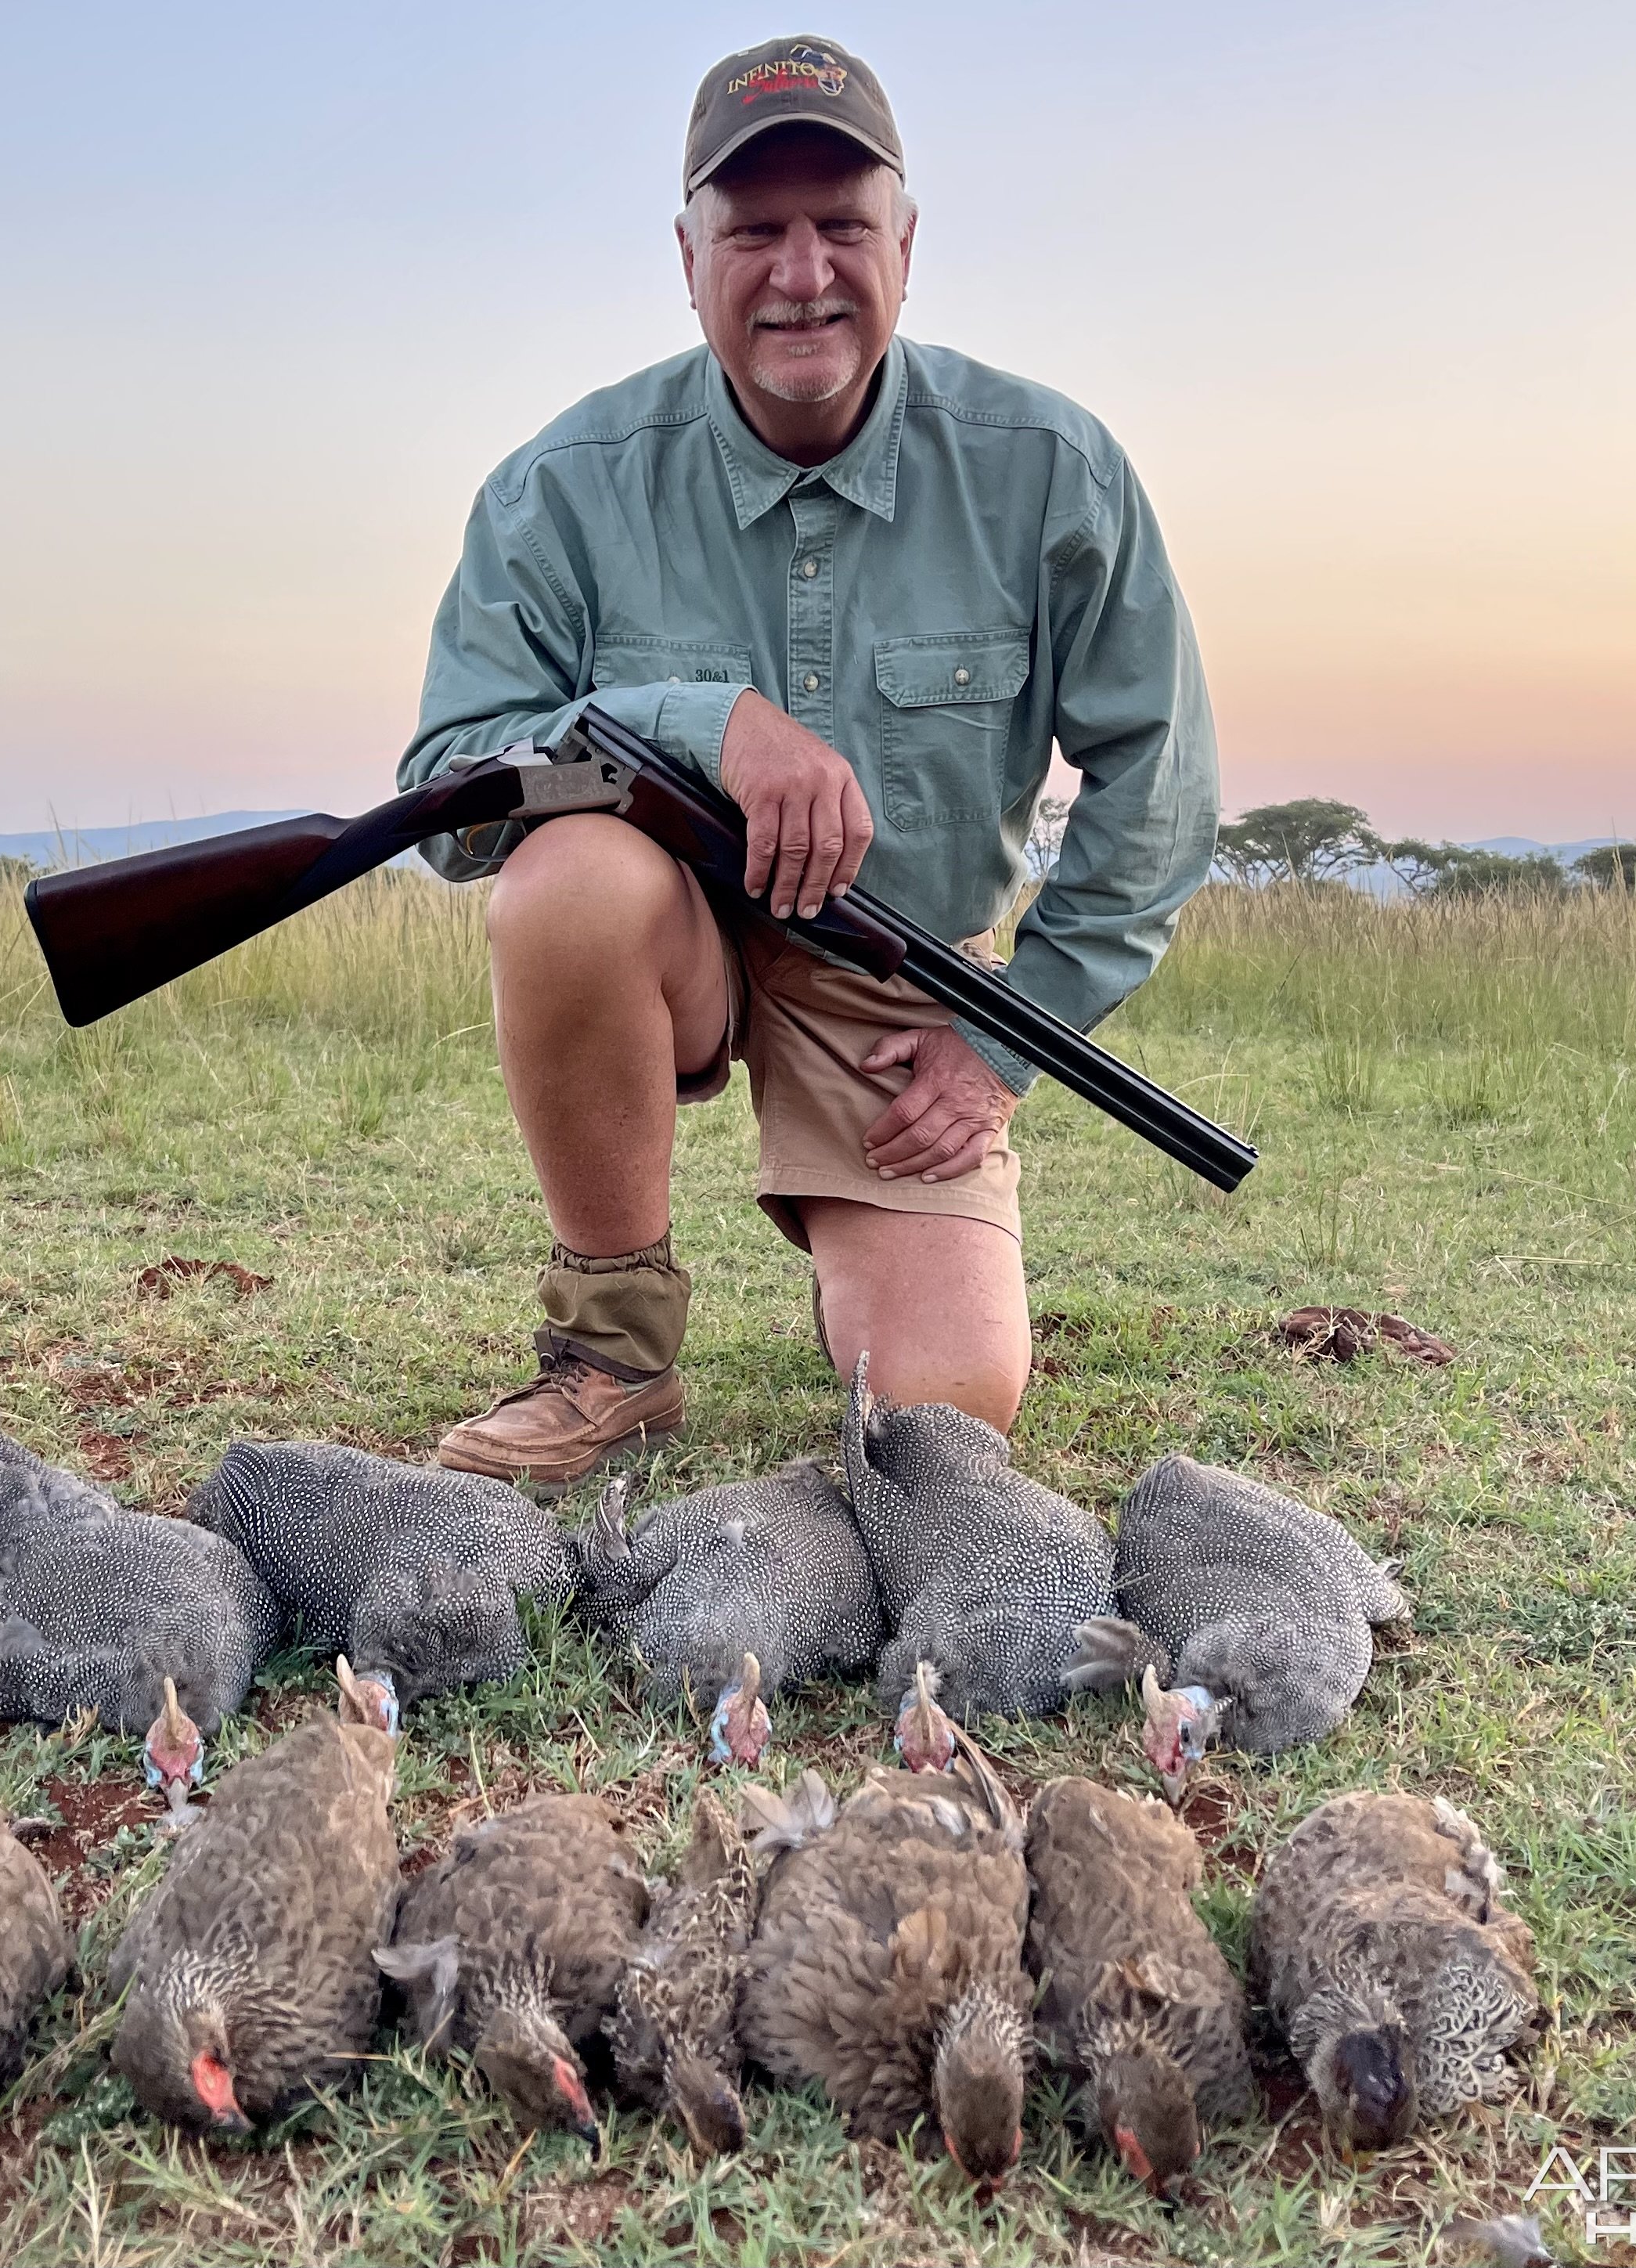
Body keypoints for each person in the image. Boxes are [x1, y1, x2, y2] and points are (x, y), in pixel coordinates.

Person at [403, 34, 1217, 1484]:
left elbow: (1157, 779)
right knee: (566, 881)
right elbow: (448, 792)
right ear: (687, 253)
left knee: (944, 1411)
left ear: (905, 244)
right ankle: (612, 1349)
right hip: (668, 930)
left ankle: (871, 1271)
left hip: (899, 977)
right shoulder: (557, 487)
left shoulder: (1051, 469)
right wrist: (700, 719)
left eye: (842, 225)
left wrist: (1004, 1037)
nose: (802, 274)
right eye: (755, 230)